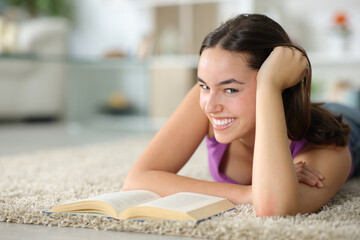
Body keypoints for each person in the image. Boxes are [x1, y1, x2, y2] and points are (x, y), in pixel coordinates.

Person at [123, 14, 360, 216]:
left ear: (280, 84)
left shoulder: (328, 142)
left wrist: (269, 85)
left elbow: (274, 208)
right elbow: (137, 180)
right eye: (204, 85)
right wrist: (248, 192)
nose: (210, 106)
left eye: (231, 89)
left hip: (341, 118)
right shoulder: (210, 96)